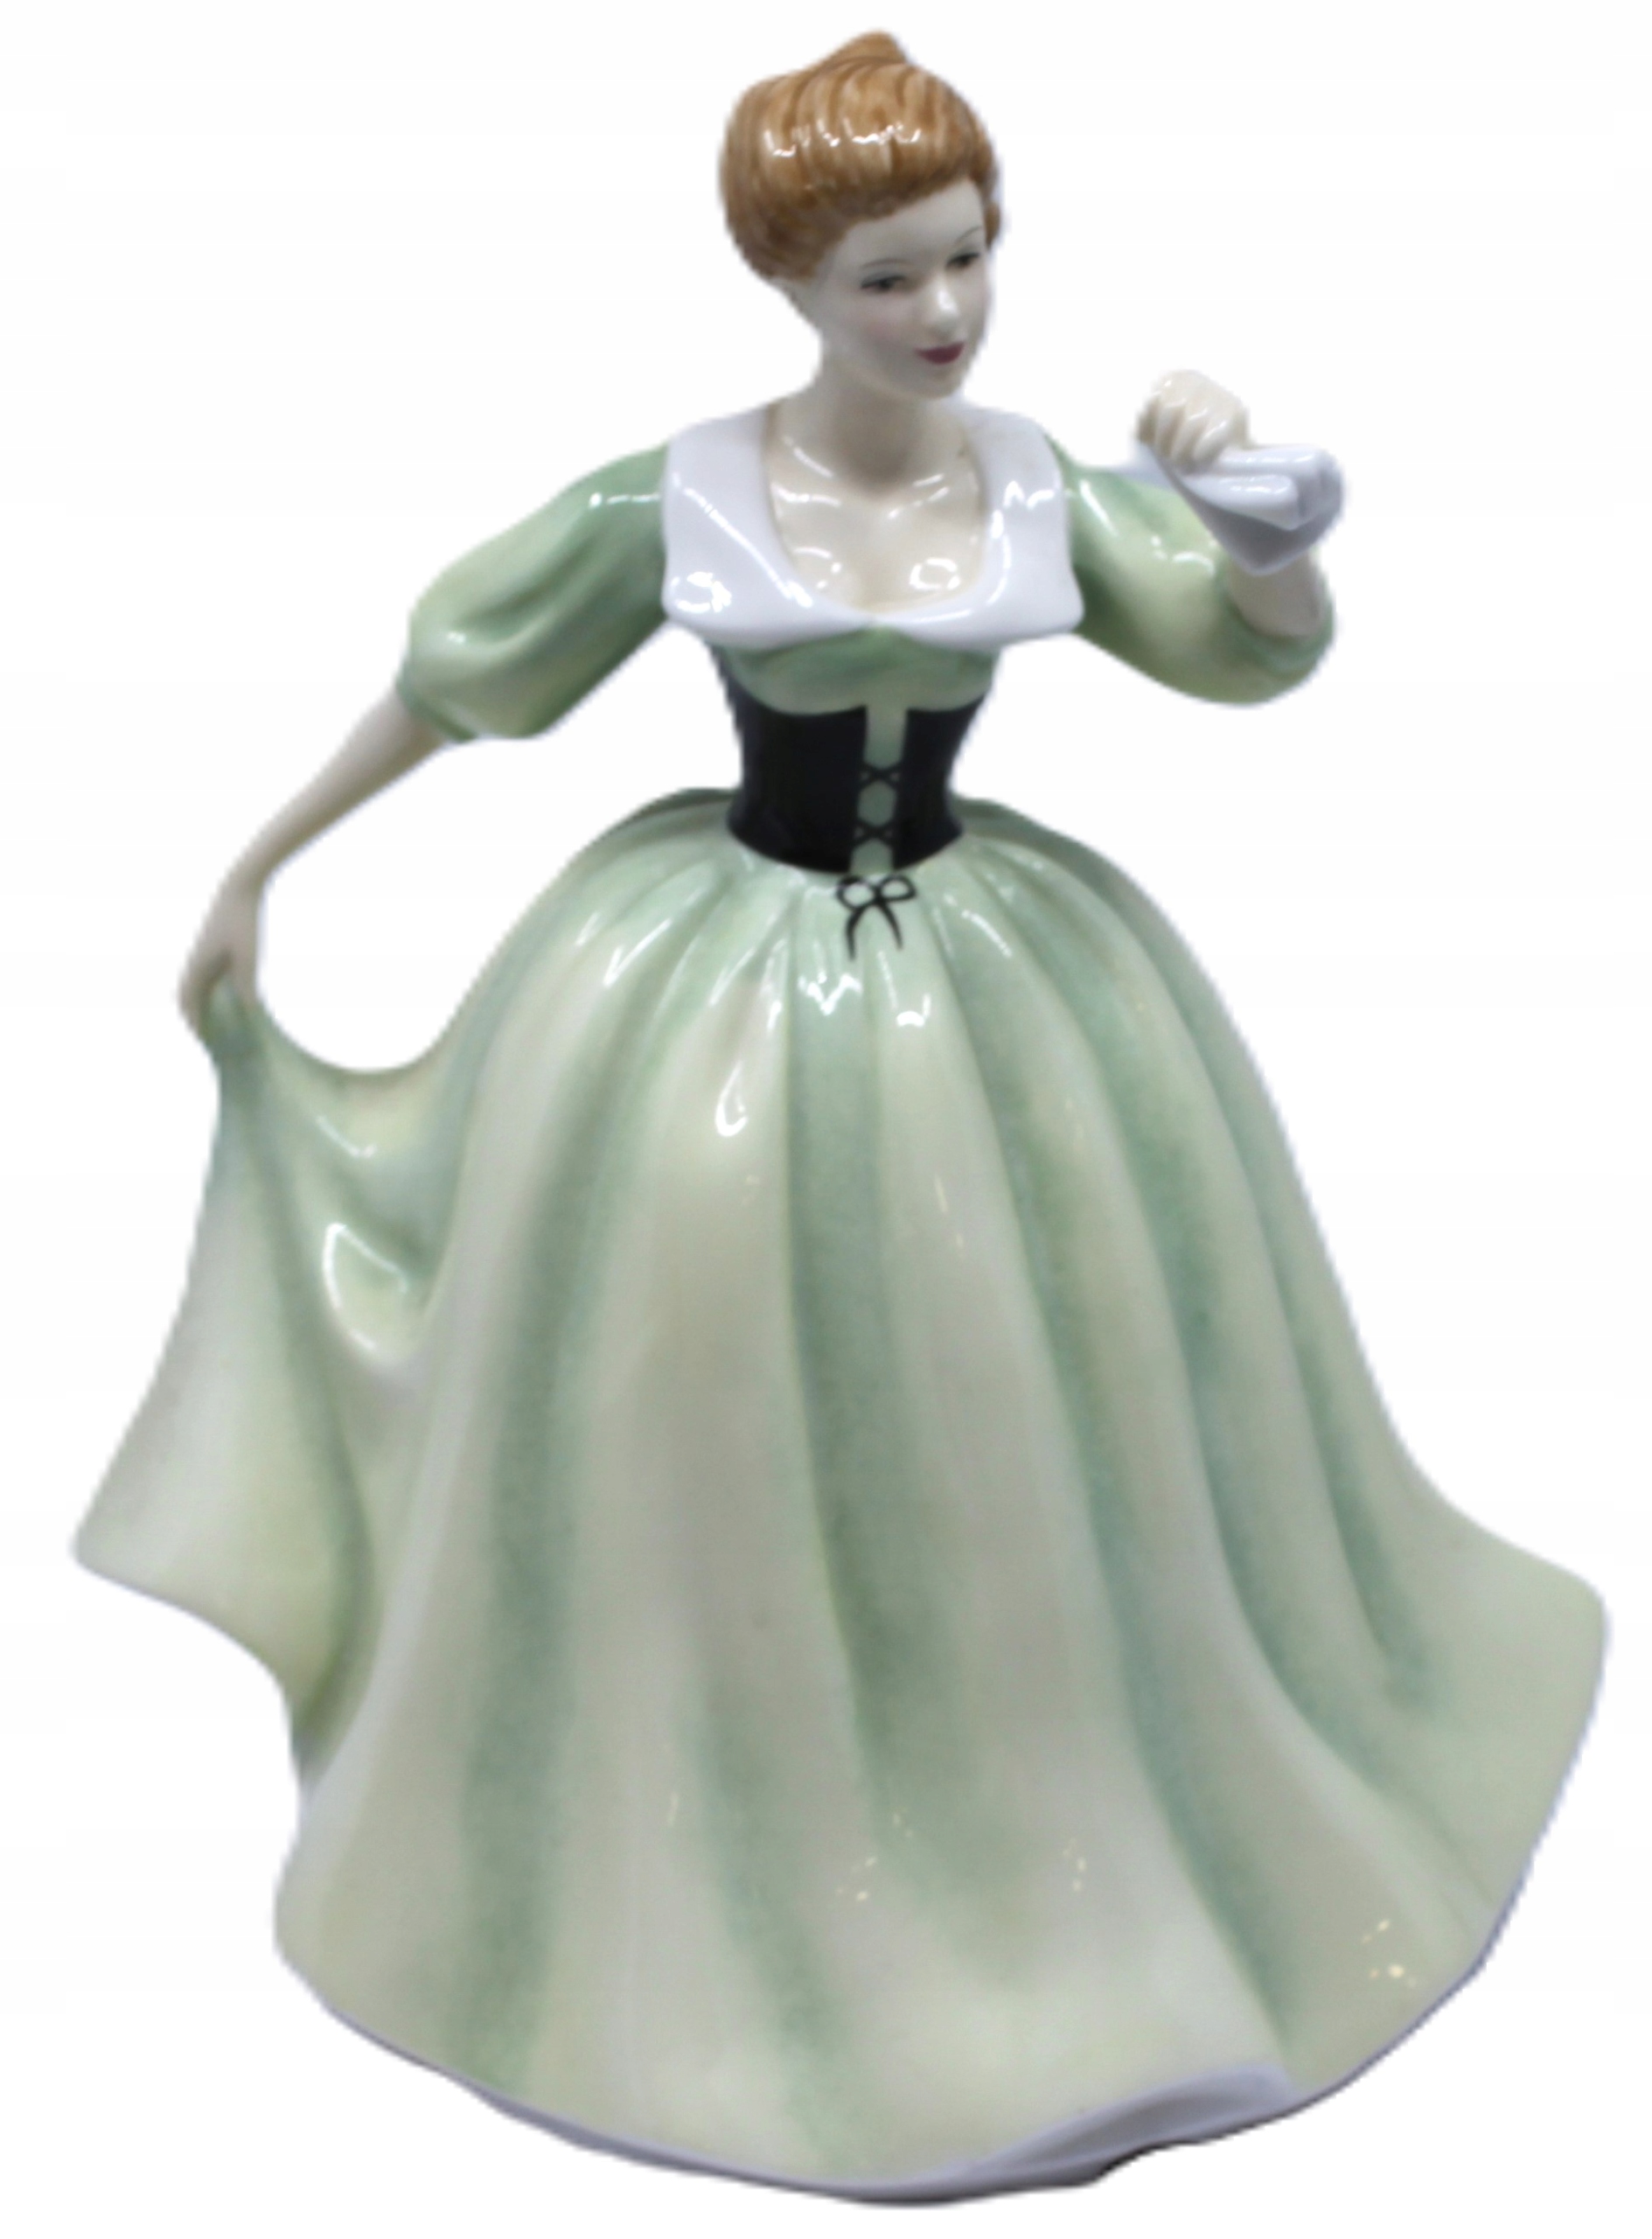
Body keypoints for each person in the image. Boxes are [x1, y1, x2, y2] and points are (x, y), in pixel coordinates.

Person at [79, 32, 1602, 2202]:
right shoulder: (679, 498)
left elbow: (1246, 650)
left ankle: (1067, 1809)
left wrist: (1272, 535)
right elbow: (460, 675)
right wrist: (261, 859)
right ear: (791, 282)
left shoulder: (1035, 482)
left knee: (1039, 1381)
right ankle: (698, 1845)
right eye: (891, 276)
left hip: (997, 978)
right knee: (668, 1380)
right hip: (717, 987)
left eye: (969, 257)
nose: (945, 310)